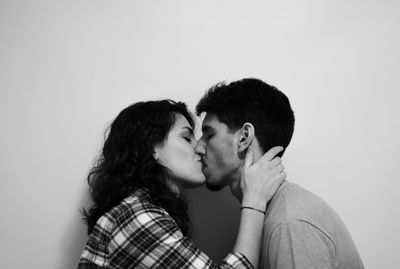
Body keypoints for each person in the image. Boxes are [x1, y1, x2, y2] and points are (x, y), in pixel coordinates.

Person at [78, 99, 285, 269]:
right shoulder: (135, 216)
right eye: (187, 138)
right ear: (151, 148)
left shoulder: (143, 212)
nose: (200, 148)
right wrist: (254, 202)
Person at [195, 78, 364, 269]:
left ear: (244, 137)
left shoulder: (289, 224)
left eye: (209, 135)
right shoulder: (274, 217)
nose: (198, 147)